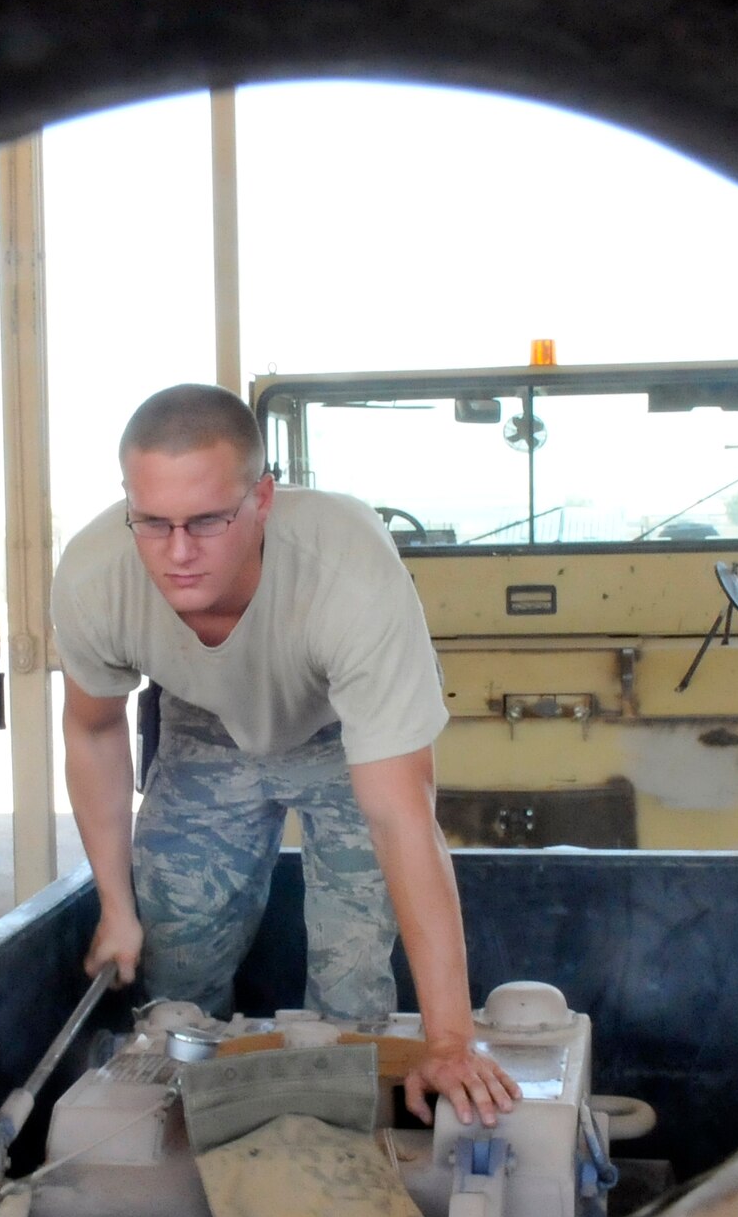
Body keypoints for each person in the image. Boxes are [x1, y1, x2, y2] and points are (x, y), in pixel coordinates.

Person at [51, 382, 520, 1127]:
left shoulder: (349, 578)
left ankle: (334, 1137)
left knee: (352, 975)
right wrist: (115, 907)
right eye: (153, 522)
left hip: (341, 729)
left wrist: (450, 1041)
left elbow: (401, 817)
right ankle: (183, 1135)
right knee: (175, 968)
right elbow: (93, 729)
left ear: (262, 498)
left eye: (207, 521)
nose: (178, 552)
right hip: (205, 721)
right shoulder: (93, 577)